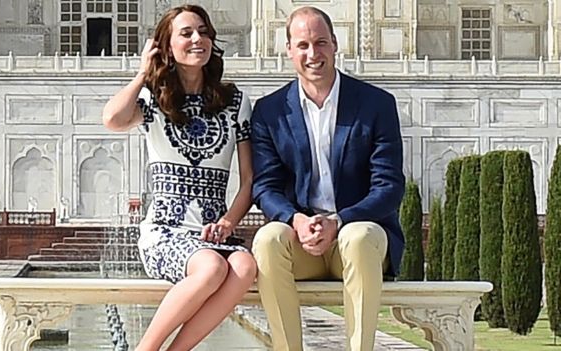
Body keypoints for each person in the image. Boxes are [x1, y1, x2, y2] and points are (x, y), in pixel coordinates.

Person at [250, 6, 405, 351]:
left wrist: (339, 221)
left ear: (335, 44)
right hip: (302, 239)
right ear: (289, 50)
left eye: (320, 43)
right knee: (267, 239)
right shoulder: (270, 111)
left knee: (359, 236)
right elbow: (265, 186)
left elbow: (390, 187)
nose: (312, 54)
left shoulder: (375, 104)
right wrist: (296, 220)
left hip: (356, 236)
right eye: (302, 45)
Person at [102, 5, 256, 351]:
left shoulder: (234, 102)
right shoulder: (156, 98)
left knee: (245, 267)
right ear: (166, 46)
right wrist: (143, 73)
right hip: (166, 232)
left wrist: (229, 222)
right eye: (186, 33)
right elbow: (112, 118)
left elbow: (249, 181)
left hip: (214, 232)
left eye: (203, 31)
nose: (197, 39)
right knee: (211, 267)